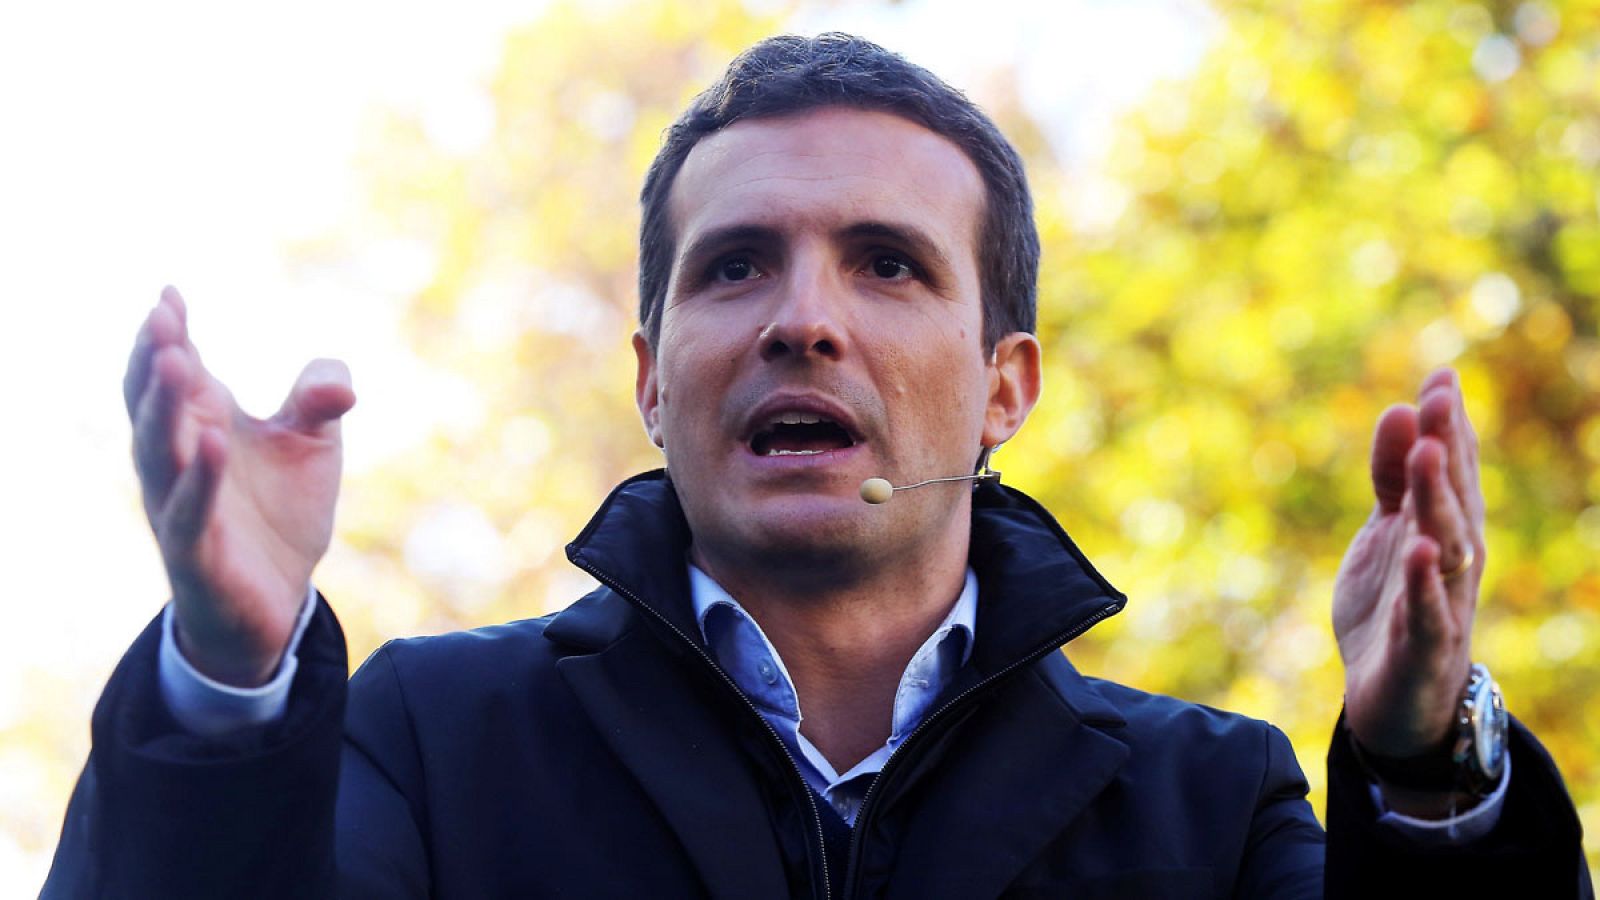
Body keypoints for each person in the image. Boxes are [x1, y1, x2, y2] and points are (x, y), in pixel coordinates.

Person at [45, 33, 1589, 899]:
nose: (803, 321)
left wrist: (1426, 767)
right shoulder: (430, 745)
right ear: (650, 382)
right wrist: (226, 679)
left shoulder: (1213, 808)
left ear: (1006, 387)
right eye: (734, 269)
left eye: (888, 267)